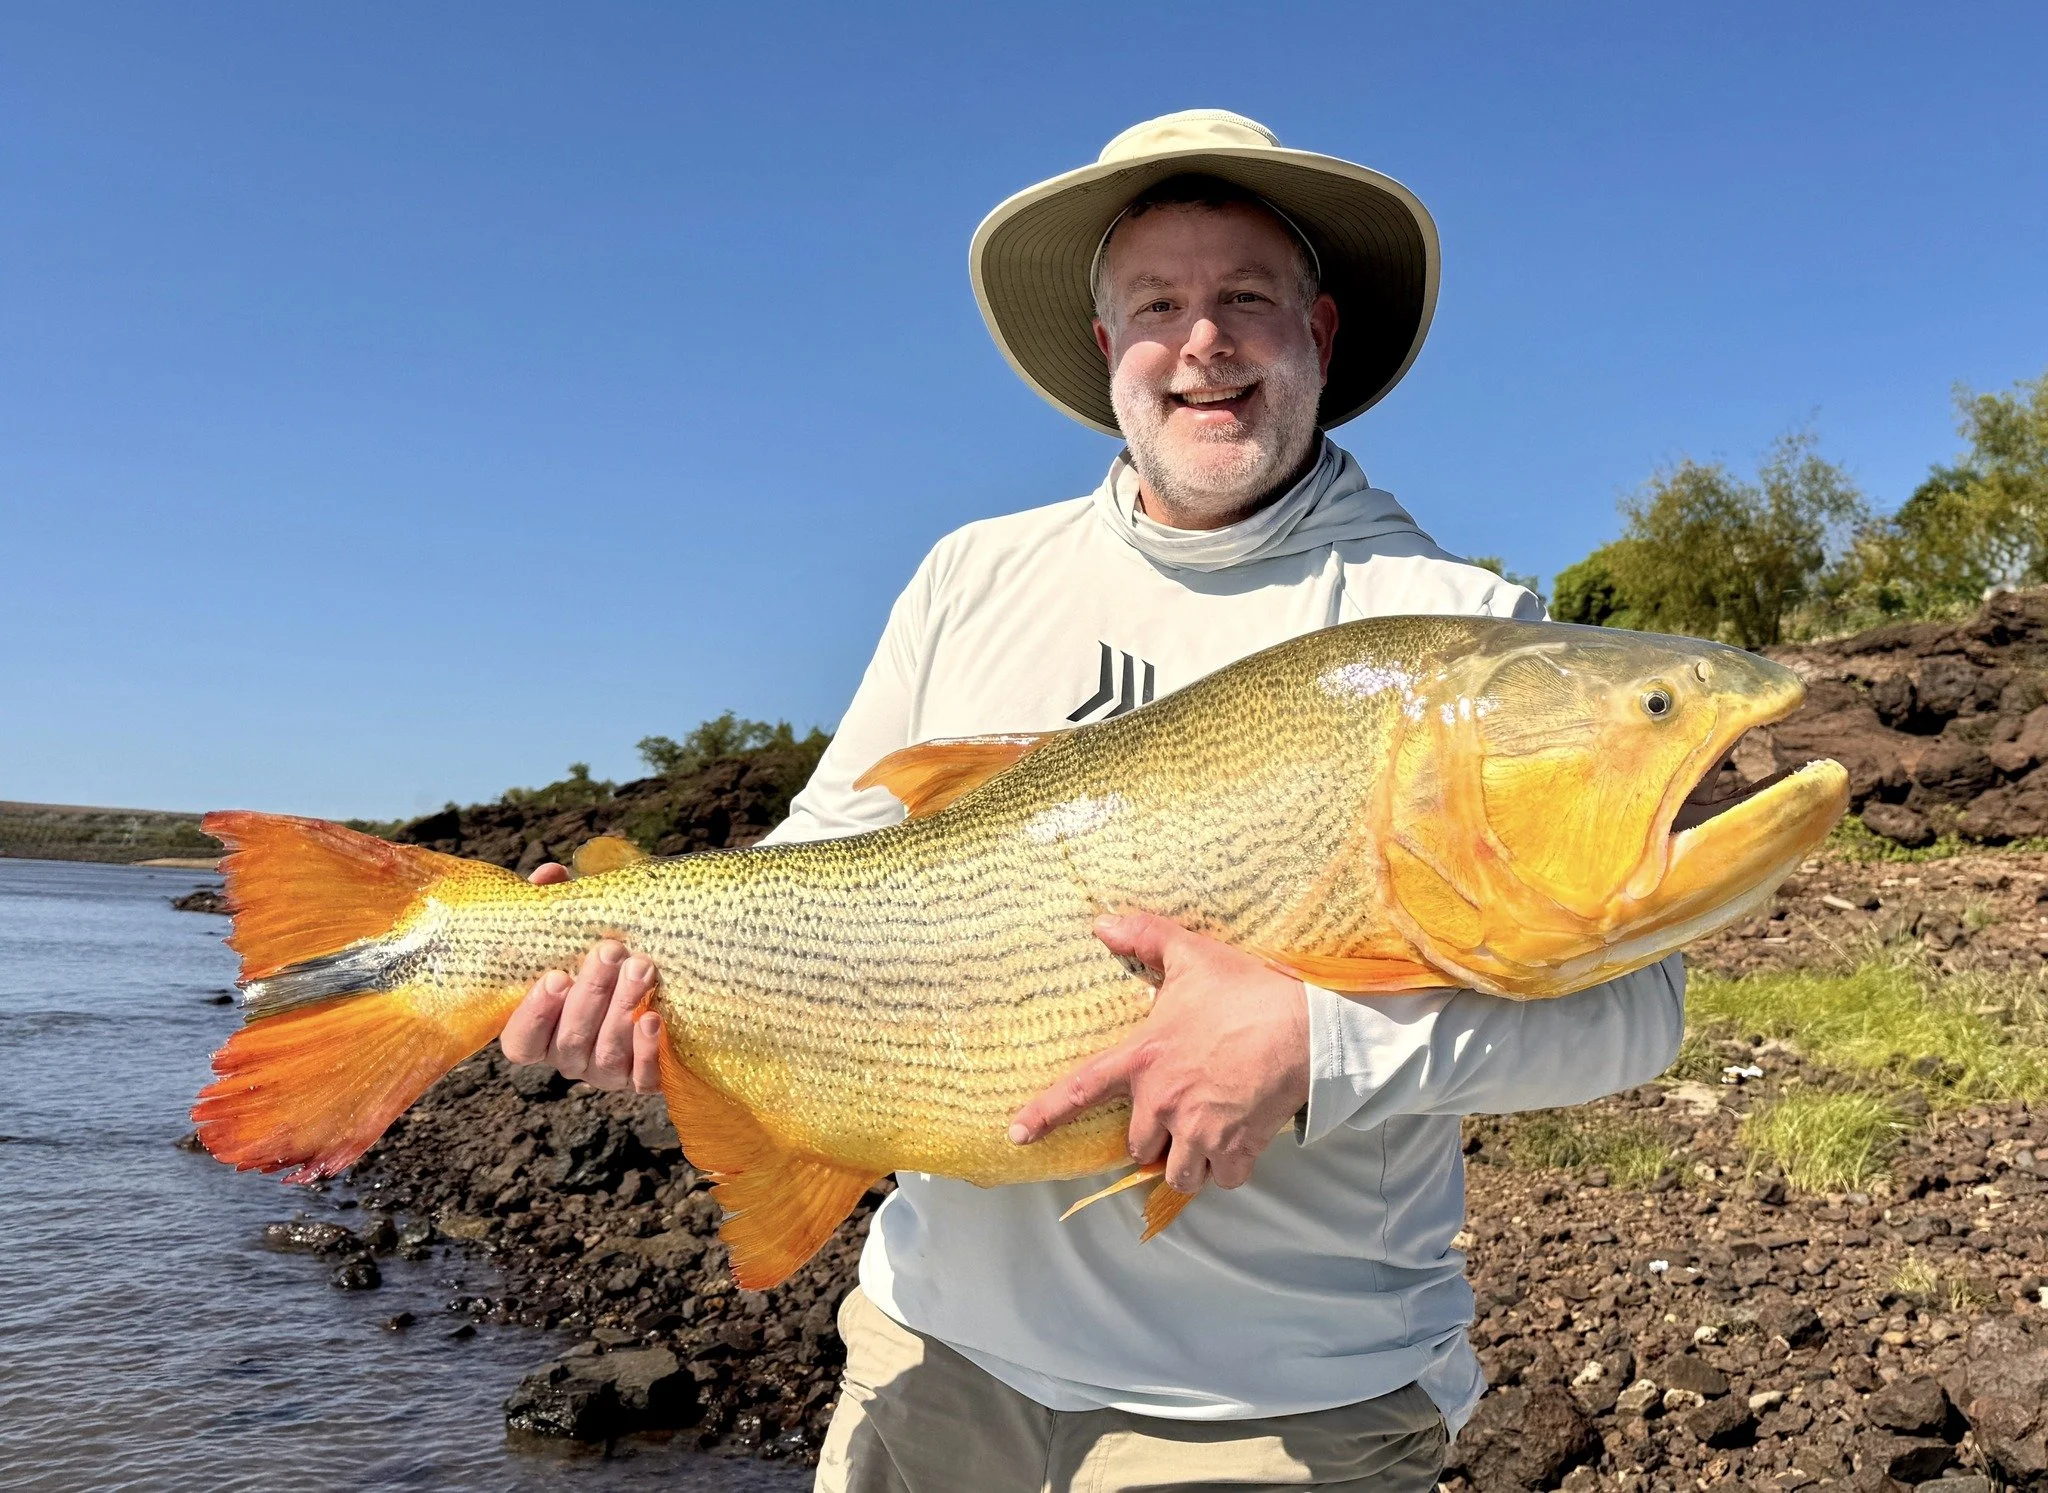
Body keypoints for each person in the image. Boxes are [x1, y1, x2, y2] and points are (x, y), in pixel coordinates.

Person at [501, 110, 1685, 1492]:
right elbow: (822, 862)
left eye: (1246, 299)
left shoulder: (1457, 629)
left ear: (1319, 330)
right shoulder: (969, 574)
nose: (1204, 343)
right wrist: (621, 965)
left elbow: (1635, 1013)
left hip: (1280, 1414)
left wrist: (1316, 1043)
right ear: (1106, 347)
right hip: (927, 1360)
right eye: (1157, 307)